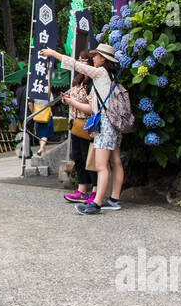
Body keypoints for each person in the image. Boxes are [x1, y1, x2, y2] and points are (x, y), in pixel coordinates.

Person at [41, 43, 124, 213]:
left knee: (101, 165)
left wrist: (52, 53)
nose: (93, 58)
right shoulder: (110, 76)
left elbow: (75, 64)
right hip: (115, 124)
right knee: (115, 162)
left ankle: (97, 203)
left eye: (96, 55)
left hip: (106, 123)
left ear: (103, 59)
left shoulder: (100, 73)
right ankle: (114, 199)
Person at [60, 52, 97, 205]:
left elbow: (91, 108)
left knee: (90, 159)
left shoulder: (93, 82)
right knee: (79, 158)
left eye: (85, 61)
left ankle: (95, 191)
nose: (81, 64)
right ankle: (82, 189)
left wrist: (72, 103)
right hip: (76, 123)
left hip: (88, 124)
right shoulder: (78, 81)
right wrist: (67, 100)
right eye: (80, 61)